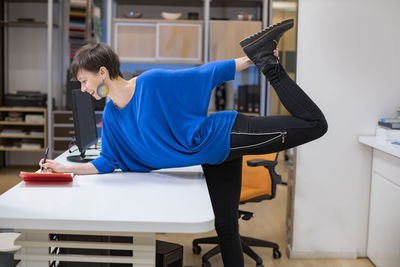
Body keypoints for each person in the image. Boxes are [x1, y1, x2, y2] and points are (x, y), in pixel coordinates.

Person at [40, 19, 327, 266]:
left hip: (223, 134)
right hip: (215, 157)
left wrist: (253, 59)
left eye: (84, 80)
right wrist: (68, 170)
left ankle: (270, 66)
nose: (83, 88)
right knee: (226, 226)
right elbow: (109, 160)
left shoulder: (150, 82)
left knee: (316, 125)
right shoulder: (112, 115)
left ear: (102, 72)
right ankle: (263, 57)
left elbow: (203, 74)